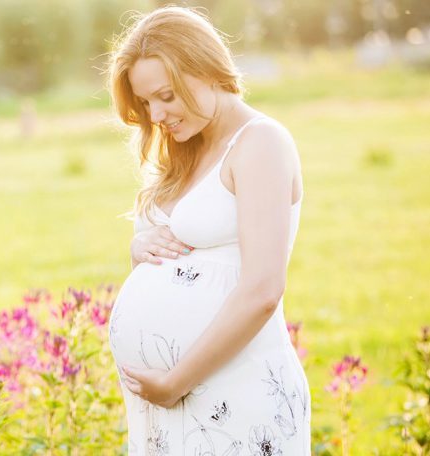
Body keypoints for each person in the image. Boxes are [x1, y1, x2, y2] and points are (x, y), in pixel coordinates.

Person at [106, 6, 311, 455]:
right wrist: (140, 249)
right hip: (170, 404)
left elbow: (262, 289)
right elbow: (185, 258)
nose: (155, 114)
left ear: (206, 70)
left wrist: (175, 382)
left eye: (165, 96)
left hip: (232, 391)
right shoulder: (186, 149)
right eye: (145, 103)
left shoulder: (260, 143)